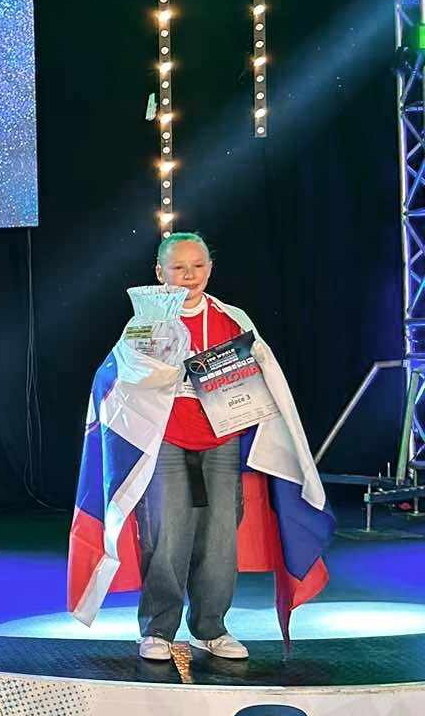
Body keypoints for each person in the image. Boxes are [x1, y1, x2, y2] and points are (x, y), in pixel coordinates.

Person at [67, 232, 333, 660]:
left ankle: (211, 627)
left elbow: (264, 375)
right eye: (178, 268)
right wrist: (161, 372)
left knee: (220, 538)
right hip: (166, 442)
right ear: (160, 272)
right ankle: (158, 630)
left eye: (197, 266)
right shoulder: (145, 322)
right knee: (167, 534)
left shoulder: (232, 318)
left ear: (210, 268)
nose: (189, 276)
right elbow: (119, 378)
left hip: (221, 442)